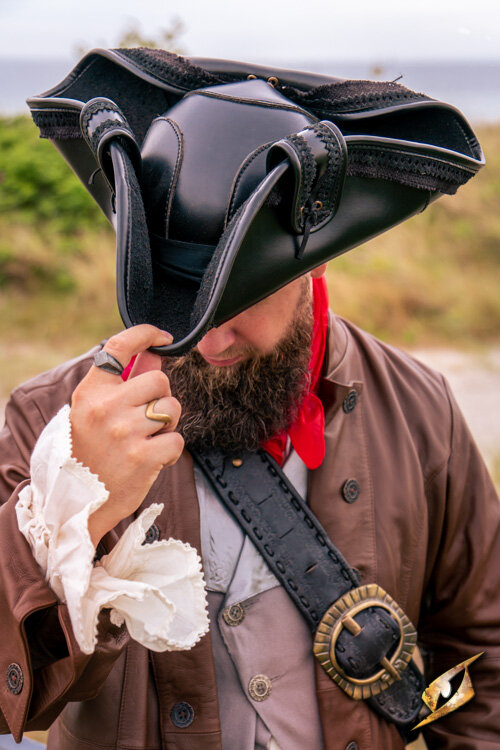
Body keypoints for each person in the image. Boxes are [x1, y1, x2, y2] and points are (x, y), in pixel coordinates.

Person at [1, 49, 498, 750]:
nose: (209, 337)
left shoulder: (422, 411)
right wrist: (73, 512)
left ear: (315, 259)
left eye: (243, 294)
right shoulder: (48, 418)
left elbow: (482, 658)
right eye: (183, 293)